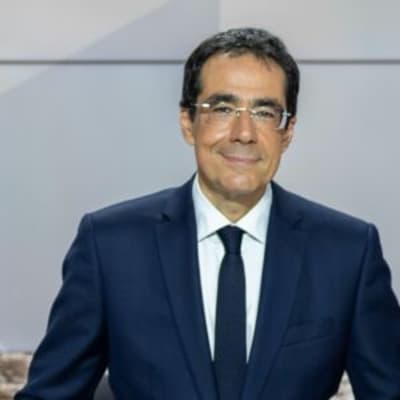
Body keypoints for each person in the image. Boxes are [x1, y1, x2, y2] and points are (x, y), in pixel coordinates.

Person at [16, 27, 400, 400]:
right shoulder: (110, 246)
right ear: (188, 122)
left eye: (265, 112)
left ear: (287, 131)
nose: (244, 133)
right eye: (222, 108)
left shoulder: (348, 252)